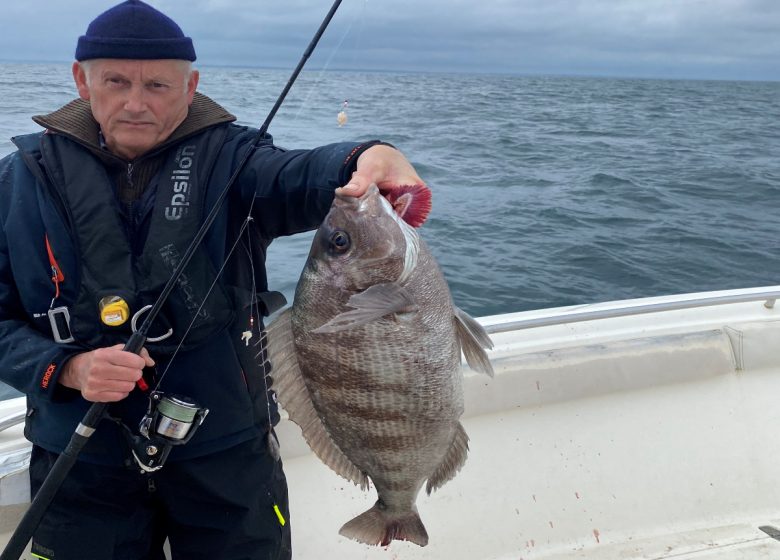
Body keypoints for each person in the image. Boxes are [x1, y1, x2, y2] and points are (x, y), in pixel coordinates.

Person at [0, 1, 426, 558]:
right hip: (79, 457)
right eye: (116, 81)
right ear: (82, 80)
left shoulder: (237, 160)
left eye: (157, 84)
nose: (136, 101)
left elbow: (300, 178)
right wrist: (66, 368)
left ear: (190, 85)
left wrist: (369, 156)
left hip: (226, 451)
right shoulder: (18, 181)